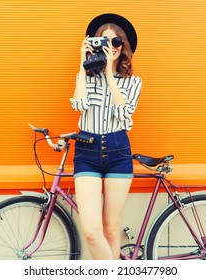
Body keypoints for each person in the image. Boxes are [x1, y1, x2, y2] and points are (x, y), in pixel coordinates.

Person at [70, 13, 142, 260]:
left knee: (111, 229)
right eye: (104, 41)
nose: (110, 47)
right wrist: (83, 62)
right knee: (91, 231)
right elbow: (79, 104)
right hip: (86, 151)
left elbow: (125, 113)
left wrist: (110, 73)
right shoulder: (85, 78)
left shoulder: (134, 82)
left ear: (123, 48)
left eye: (115, 42)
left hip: (118, 150)